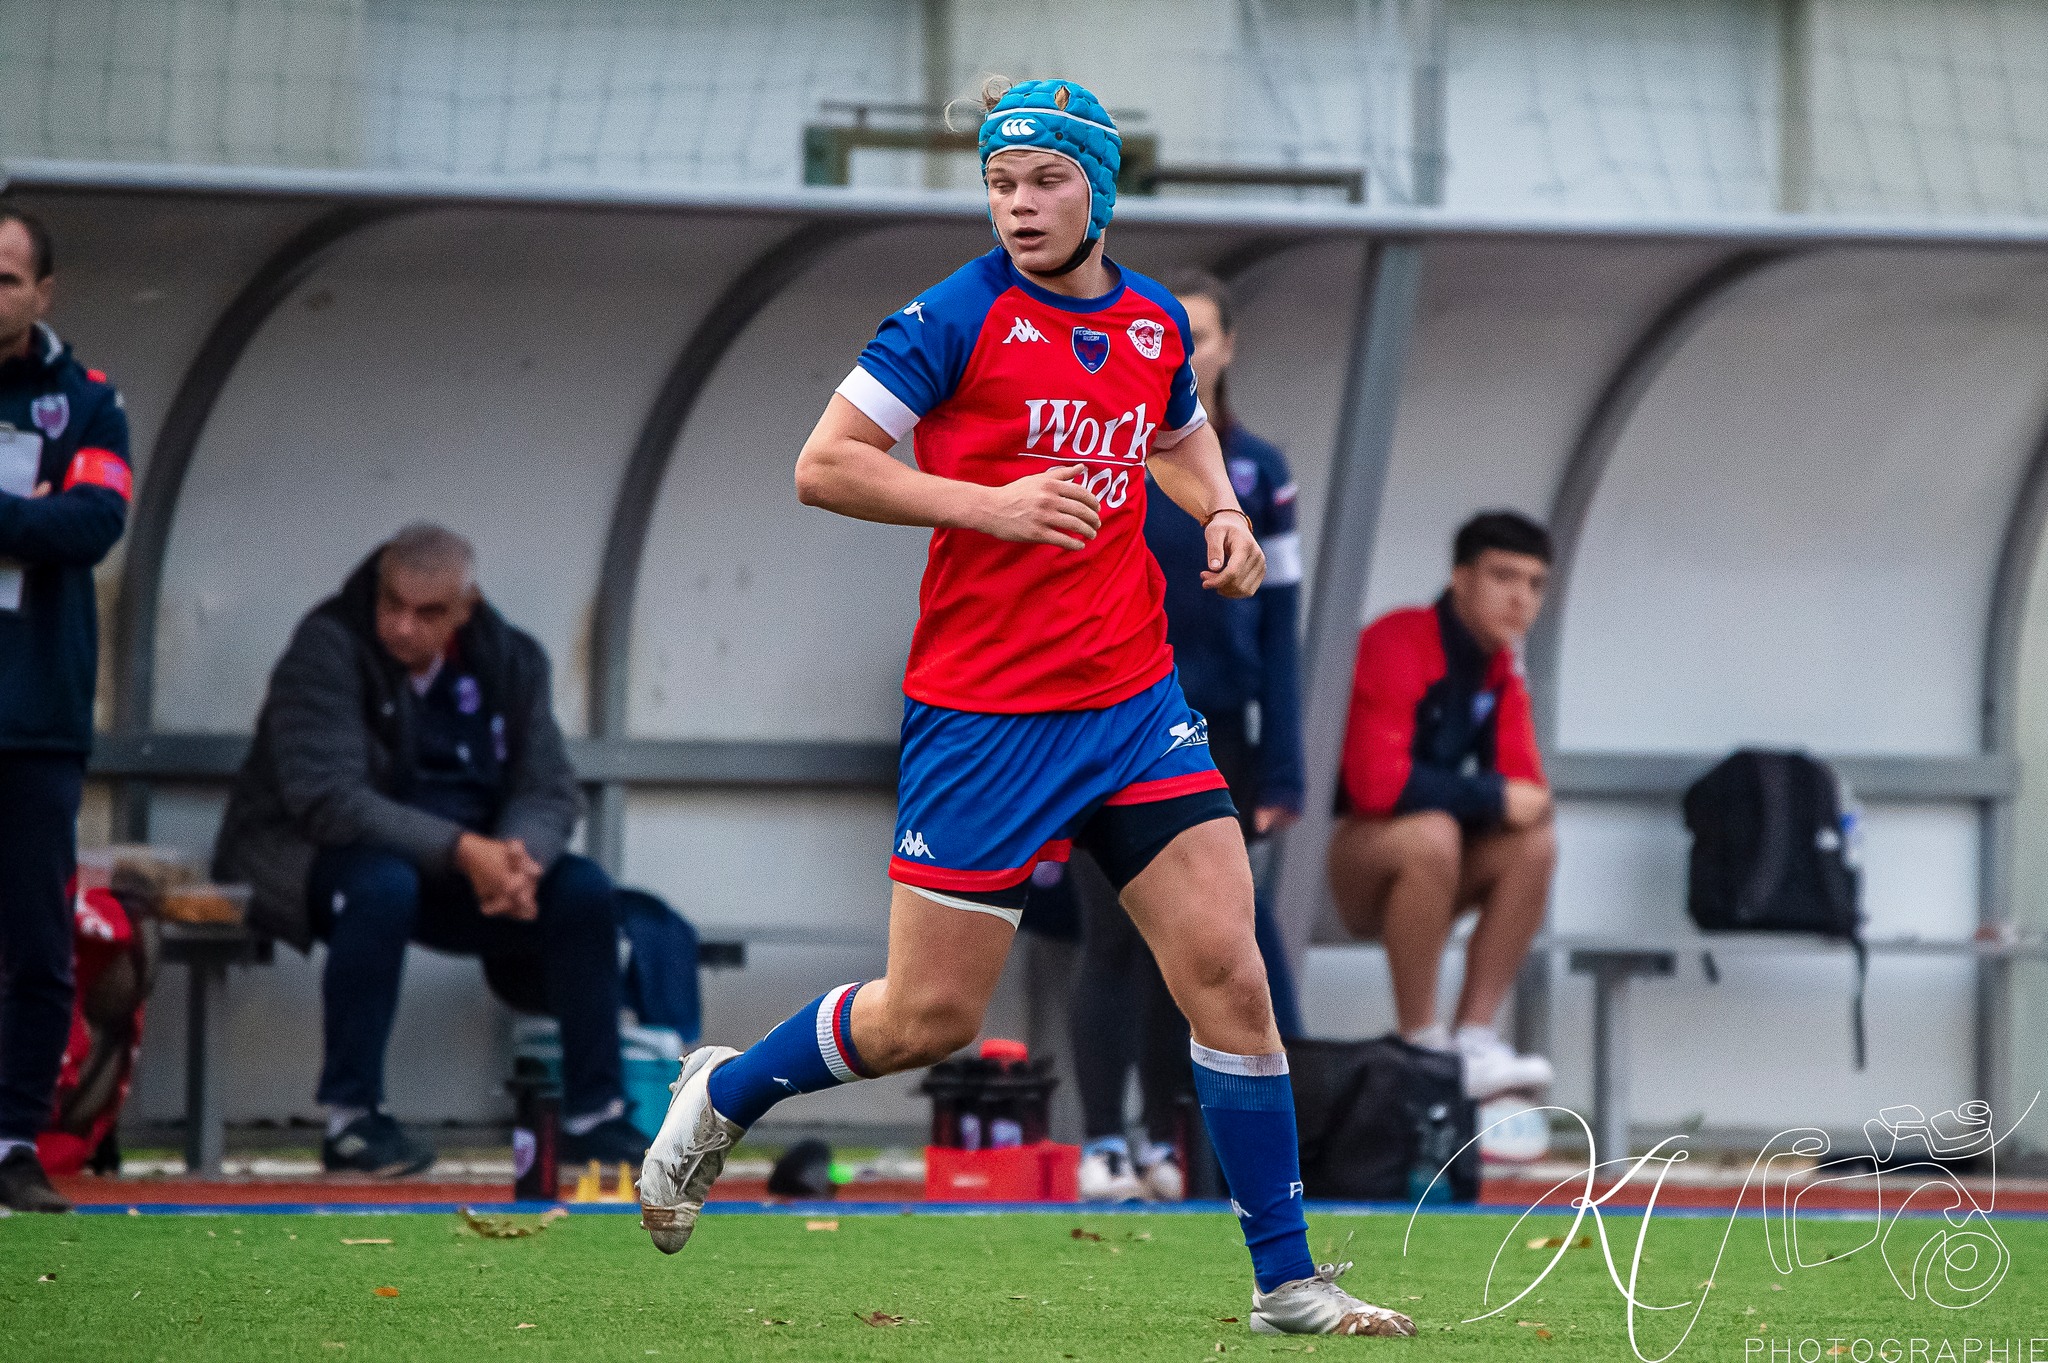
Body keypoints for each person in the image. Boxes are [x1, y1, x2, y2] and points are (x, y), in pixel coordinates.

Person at [638, 77, 1415, 1339]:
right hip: (985, 718)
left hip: (1131, 699)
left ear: (1098, 191)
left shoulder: (1156, 320)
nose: (1017, 206)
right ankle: (725, 1090)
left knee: (1230, 967)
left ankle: (1285, 1280)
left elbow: (1171, 432)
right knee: (924, 1019)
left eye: (1044, 182)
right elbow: (823, 464)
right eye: (999, 185)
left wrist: (1216, 510)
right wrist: (986, 504)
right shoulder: (954, 316)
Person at [213, 524, 646, 1176]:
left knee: (583, 890)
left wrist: (516, 858)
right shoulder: (326, 648)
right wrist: (463, 849)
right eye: (393, 604)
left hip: (463, 870)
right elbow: (329, 801)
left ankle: (593, 1117)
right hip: (316, 859)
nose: (403, 626)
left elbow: (550, 788)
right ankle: (352, 1119)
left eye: (427, 612)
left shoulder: (511, 657)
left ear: (464, 609)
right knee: (381, 885)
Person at [1068, 268, 1306, 1203]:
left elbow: (1281, 622)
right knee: (1114, 942)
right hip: (1107, 725)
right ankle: (1101, 1143)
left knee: (1207, 945)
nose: (1192, 349)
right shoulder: (1112, 449)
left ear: (1228, 346)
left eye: (1206, 335)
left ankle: (1176, 1143)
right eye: (1180, 335)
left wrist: (1282, 763)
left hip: (1218, 743)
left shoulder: (1260, 472)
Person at [1326, 511, 1556, 1101]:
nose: (1520, 598)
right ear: (1460, 578)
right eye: (1504, 576)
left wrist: (1503, 798)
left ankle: (1474, 1037)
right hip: (1343, 866)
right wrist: (1492, 797)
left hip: (1432, 865)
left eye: (1534, 584)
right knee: (1433, 833)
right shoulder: (1397, 640)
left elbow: (1527, 793)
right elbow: (1376, 786)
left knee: (1535, 845)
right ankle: (1420, 1040)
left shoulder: (1501, 664)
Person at [0, 206, 133, 1213]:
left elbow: (93, 519)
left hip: (36, 715)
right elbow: (54, 516)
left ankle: (13, 1141)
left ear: (44, 293)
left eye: (7, 278)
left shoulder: (88, 400)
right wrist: (28, 516)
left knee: (38, 944)